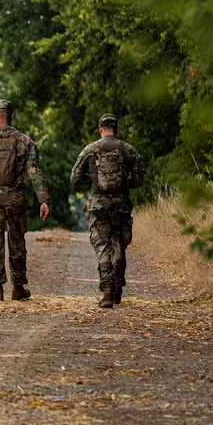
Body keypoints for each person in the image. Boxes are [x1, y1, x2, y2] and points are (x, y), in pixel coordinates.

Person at [0, 99, 50, 301]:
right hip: (16, 200)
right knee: (17, 242)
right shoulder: (25, 141)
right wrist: (43, 199)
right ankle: (18, 288)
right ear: (12, 116)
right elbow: (34, 172)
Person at [70, 113, 144, 309]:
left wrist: (94, 180)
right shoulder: (128, 149)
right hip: (121, 205)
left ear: (100, 129)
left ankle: (107, 291)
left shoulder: (90, 150)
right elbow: (138, 180)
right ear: (117, 129)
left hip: (99, 206)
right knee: (119, 245)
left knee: (102, 247)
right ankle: (118, 286)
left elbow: (75, 178)